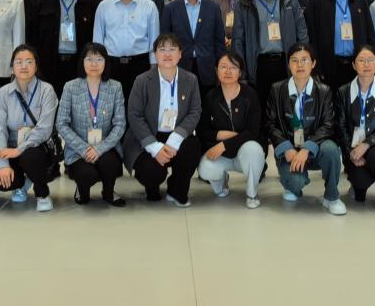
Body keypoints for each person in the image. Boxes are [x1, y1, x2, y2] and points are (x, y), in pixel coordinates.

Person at [123, 34, 203, 206]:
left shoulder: (190, 80)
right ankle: (152, 186)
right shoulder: (142, 80)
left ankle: (176, 190)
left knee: (192, 146)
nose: (167, 54)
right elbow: (134, 115)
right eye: (162, 49)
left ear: (180, 54)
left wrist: (176, 139)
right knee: (152, 173)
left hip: (176, 134)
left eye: (172, 49)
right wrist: (154, 147)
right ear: (155, 54)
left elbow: (195, 112)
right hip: (148, 135)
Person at [266, 43, 345, 214]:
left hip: (314, 148)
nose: (299, 65)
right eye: (294, 60)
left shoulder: (324, 91)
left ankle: (331, 197)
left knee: (331, 150)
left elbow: (328, 125)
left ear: (313, 63)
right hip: (290, 151)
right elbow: (270, 124)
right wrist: (286, 148)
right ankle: (294, 183)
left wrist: (307, 148)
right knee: (295, 184)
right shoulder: (277, 89)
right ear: (288, 64)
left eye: (304, 60)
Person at [56, 42, 127, 206]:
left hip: (106, 146)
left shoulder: (115, 87)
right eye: (89, 59)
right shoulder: (70, 87)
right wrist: (83, 148)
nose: (94, 64)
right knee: (86, 175)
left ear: (106, 62)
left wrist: (99, 148)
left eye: (99, 59)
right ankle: (82, 190)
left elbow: (120, 124)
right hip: (78, 149)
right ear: (82, 62)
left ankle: (108, 192)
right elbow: (61, 123)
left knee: (109, 163)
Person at [232, 0, 309, 106]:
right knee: (260, 109)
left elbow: (302, 34)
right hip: (257, 65)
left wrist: (303, 63)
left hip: (286, 63)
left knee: (287, 108)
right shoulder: (244, 3)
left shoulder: (290, 0)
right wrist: (241, 72)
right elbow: (238, 40)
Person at [198, 49, 266, 208]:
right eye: (223, 67)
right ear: (216, 70)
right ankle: (222, 184)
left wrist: (225, 144)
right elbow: (202, 131)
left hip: (245, 151)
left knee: (253, 149)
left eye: (233, 67)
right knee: (205, 169)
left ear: (240, 72)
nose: (228, 71)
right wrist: (219, 134)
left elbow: (253, 132)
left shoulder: (250, 95)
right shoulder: (210, 97)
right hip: (223, 154)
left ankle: (252, 193)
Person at [0, 45, 59, 211]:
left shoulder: (47, 90)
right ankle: (21, 184)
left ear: (36, 66)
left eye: (29, 62)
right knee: (1, 180)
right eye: (19, 62)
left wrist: (19, 149)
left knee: (30, 157)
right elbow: (0, 130)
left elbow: (44, 129)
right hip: (11, 145)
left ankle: (42, 193)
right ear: (12, 67)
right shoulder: (3, 93)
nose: (24, 66)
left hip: (38, 146)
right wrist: (3, 165)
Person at [334, 45, 375, 210]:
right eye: (361, 60)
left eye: (370, 60)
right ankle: (357, 186)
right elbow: (341, 126)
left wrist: (367, 143)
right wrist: (351, 151)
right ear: (354, 65)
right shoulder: (343, 92)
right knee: (359, 183)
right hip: (354, 149)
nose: (366, 64)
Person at [93, 0, 160, 102]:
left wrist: (154, 66)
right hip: (111, 64)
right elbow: (98, 39)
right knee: (111, 104)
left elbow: (154, 39)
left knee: (139, 104)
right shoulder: (104, 6)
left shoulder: (149, 6)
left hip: (140, 64)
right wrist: (97, 64)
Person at [28, 0, 97, 93]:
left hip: (80, 64)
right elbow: (33, 34)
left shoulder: (90, 2)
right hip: (49, 64)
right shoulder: (42, 1)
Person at [311, 0, 374, 90]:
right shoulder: (317, 1)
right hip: (329, 66)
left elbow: (369, 33)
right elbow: (312, 36)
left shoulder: (359, 0)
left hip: (358, 65)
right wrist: (317, 68)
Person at [160, 0, 225, 95]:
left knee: (207, 104)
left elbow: (219, 41)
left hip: (207, 67)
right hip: (179, 67)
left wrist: (220, 66)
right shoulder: (170, 9)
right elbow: (165, 41)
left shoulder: (213, 7)